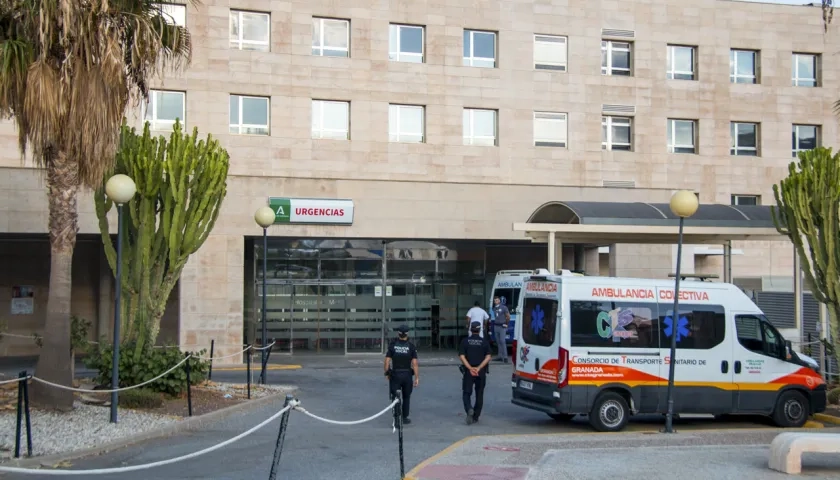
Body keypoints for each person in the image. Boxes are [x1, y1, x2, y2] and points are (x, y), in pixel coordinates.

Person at [384, 324, 419, 424]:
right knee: (406, 397)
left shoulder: (393, 345)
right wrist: (416, 377)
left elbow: (387, 361)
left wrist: (387, 373)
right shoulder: (411, 347)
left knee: (395, 397)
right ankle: (404, 417)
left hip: (395, 374)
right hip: (407, 375)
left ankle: (396, 418)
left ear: (398, 333)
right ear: (407, 334)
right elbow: (415, 363)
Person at [459, 321, 492, 425]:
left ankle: (469, 409)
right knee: (479, 393)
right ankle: (476, 416)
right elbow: (488, 357)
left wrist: (470, 368)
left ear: (470, 329)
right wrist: (478, 368)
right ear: (480, 329)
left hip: (469, 372)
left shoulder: (465, 341)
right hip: (480, 371)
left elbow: (462, 356)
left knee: (466, 393)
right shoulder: (484, 342)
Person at [492, 295, 511, 363]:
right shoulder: (494, 308)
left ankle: (505, 357)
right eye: (495, 301)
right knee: (498, 342)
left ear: (499, 301)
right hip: (496, 326)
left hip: (502, 326)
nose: (496, 301)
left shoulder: (504, 307)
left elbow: (508, 316)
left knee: (502, 341)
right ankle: (500, 356)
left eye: (497, 300)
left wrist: (506, 324)